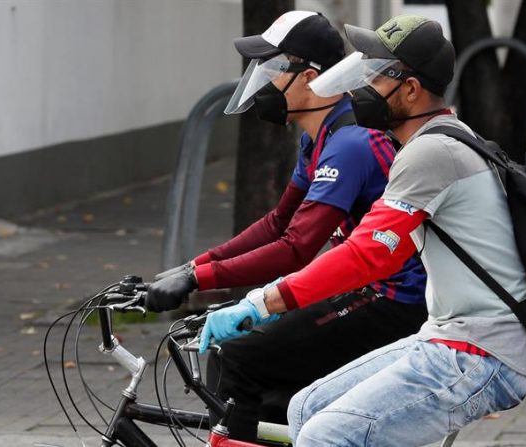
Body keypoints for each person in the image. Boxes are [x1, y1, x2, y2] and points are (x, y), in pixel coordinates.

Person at [200, 14, 526, 447]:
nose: (357, 89)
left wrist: (262, 302)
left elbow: (368, 254)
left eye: (373, 75)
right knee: (303, 409)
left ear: (409, 89)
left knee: (324, 436)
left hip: (482, 354)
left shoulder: (431, 152)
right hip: (449, 338)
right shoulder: (436, 140)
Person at [146, 11, 427, 441]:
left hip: (397, 302)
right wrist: (192, 267)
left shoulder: (350, 144)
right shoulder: (321, 136)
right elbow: (278, 222)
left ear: (311, 78)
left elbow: (296, 246)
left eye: (273, 68)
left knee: (239, 360)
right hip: (367, 290)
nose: (261, 79)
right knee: (269, 395)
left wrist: (198, 277)